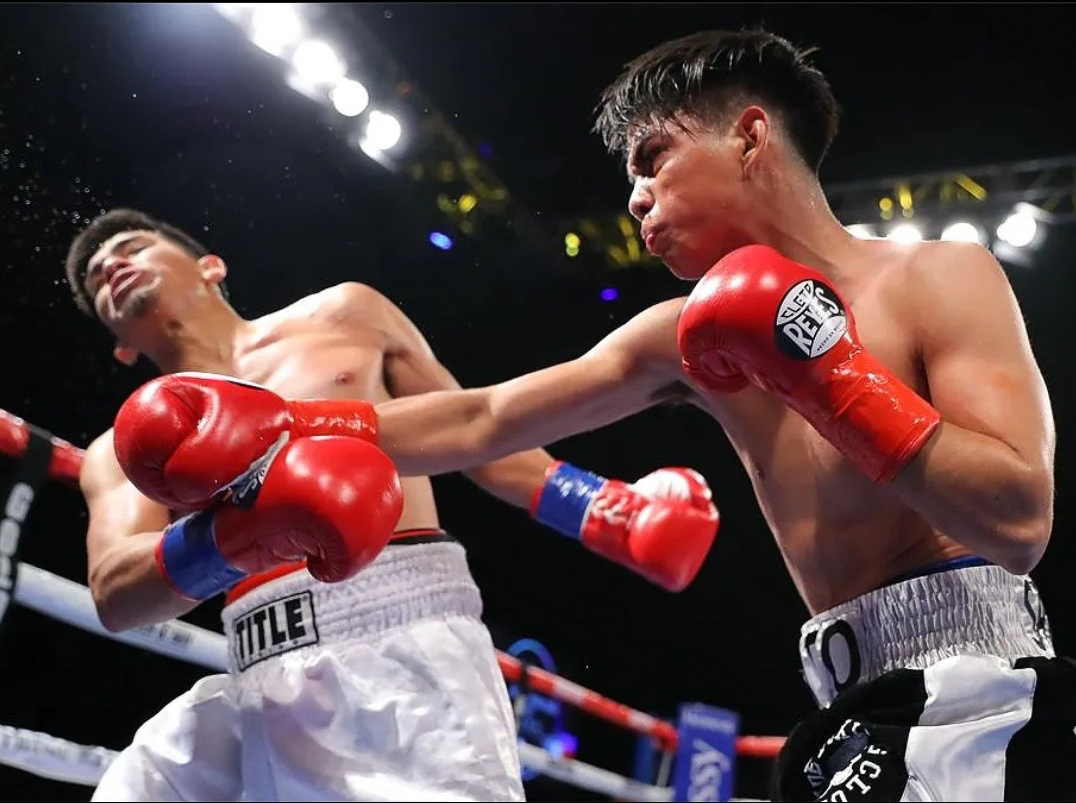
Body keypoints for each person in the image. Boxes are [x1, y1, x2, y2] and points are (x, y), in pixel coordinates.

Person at [148, 28, 1071, 801]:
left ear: (750, 136)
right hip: (847, 710)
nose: (635, 197)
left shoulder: (938, 277)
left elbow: (1019, 519)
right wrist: (282, 430)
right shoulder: (679, 336)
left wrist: (828, 372)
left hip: (979, 693)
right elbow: (482, 420)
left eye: (652, 158)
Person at [63, 208, 719, 802]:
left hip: (402, 648)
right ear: (121, 346)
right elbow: (116, 594)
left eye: (132, 246)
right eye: (96, 280)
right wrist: (240, 534)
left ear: (210, 266)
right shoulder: (121, 453)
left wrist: (610, 513)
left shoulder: (344, 314)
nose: (111, 266)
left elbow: (480, 433)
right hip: (256, 667)